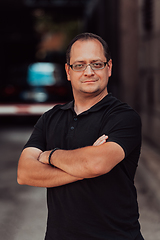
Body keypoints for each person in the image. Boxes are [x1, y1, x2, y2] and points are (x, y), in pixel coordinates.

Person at [17, 32, 144, 240]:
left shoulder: (124, 117)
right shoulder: (51, 118)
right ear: (68, 71)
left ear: (109, 68)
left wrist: (50, 156)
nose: (88, 72)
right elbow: (24, 173)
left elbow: (96, 164)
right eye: (79, 65)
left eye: (97, 64)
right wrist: (83, 165)